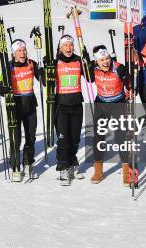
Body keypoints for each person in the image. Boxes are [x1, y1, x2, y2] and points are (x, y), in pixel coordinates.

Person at [87, 45, 132, 185]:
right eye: (102, 60)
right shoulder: (93, 69)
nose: (105, 62)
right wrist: (86, 65)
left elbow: (130, 82)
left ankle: (126, 170)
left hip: (118, 104)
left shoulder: (118, 67)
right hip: (101, 103)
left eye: (107, 58)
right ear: (96, 62)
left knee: (120, 137)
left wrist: (130, 83)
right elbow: (89, 80)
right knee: (99, 136)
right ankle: (98, 171)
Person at [48, 34, 90, 186]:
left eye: (71, 45)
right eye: (65, 45)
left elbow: (90, 78)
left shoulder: (78, 60)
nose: (69, 48)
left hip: (76, 104)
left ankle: (72, 163)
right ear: (60, 48)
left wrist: (87, 60)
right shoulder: (55, 62)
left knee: (75, 138)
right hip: (61, 105)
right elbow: (46, 82)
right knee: (64, 139)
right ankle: (63, 167)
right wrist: (45, 69)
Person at [7, 39, 43, 182]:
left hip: (30, 105)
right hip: (14, 106)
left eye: (24, 50)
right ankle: (15, 166)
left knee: (31, 137)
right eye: (19, 50)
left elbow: (44, 82)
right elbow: (1, 87)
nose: (22, 53)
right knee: (15, 138)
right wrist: (2, 87)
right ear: (14, 53)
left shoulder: (31, 63)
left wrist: (43, 71)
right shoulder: (8, 66)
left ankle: (28, 164)